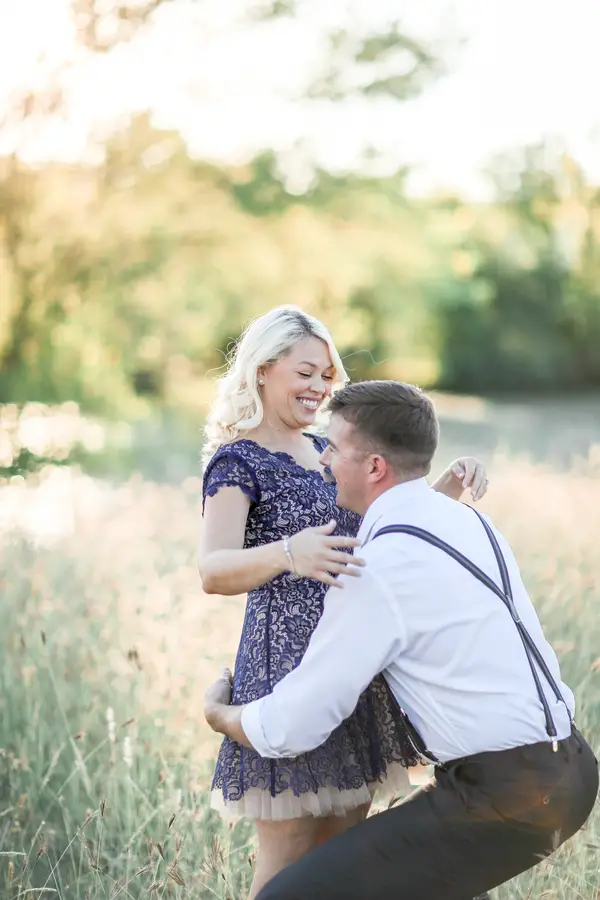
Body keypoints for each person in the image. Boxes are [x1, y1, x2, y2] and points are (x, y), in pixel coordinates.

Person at [204, 379, 598, 900]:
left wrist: (221, 716)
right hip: (569, 766)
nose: (323, 461)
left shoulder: (376, 567)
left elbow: (294, 724)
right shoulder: (465, 519)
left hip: (504, 794)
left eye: (335, 449)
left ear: (374, 468)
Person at [198, 307, 489, 899]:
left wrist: (444, 492)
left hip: (352, 668)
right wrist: (287, 552)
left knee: (340, 868)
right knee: (287, 863)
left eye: (328, 375)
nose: (320, 387)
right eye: (306, 372)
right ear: (262, 369)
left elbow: (375, 531)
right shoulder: (239, 460)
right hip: (284, 671)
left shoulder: (328, 448)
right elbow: (212, 569)